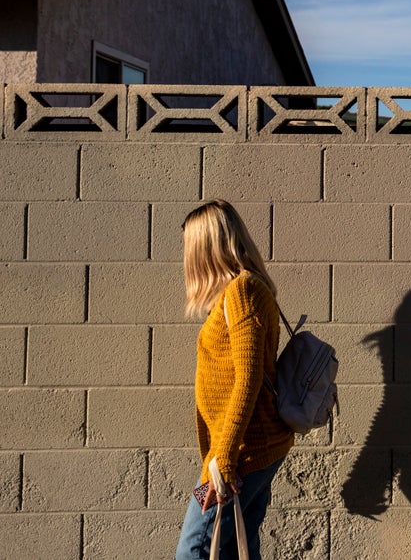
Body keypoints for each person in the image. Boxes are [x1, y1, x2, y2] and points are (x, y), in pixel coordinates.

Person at [175, 200, 294, 560]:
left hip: (241, 454)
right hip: (243, 450)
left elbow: (248, 379)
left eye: (189, 247)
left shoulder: (243, 292)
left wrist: (223, 461)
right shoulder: (239, 293)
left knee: (192, 549)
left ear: (206, 247)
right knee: (234, 549)